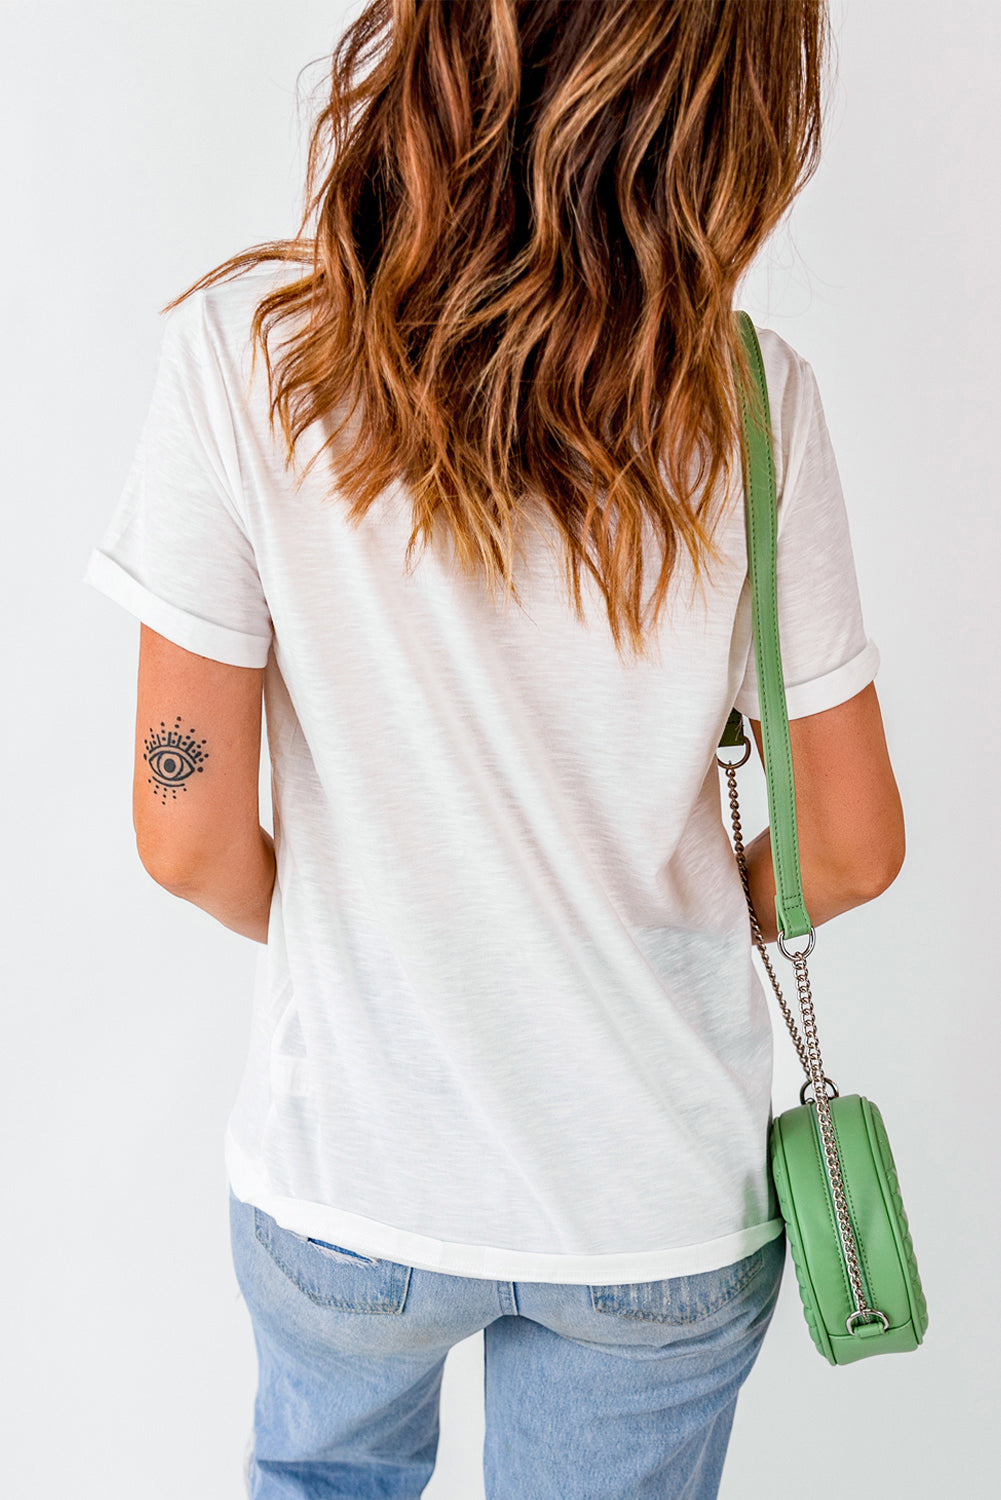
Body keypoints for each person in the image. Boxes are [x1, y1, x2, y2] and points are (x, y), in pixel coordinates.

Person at [83, 2, 905, 1496]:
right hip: (646, 1198)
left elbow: (179, 808)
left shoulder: (242, 361)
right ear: (723, 108)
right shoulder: (751, 406)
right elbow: (844, 845)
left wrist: (382, 924)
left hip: (350, 1181)